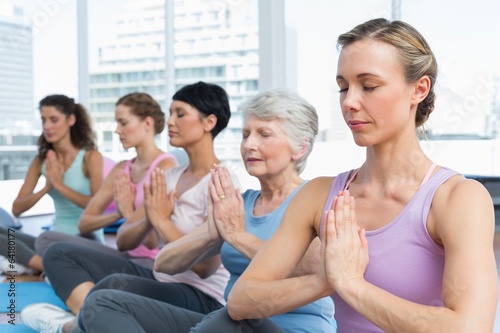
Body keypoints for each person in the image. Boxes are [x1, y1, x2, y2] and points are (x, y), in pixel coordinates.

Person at [224, 18, 499, 332]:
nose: (349, 102)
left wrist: (352, 284)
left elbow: (470, 327)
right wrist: (322, 282)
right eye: (343, 87)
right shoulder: (320, 195)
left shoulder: (457, 198)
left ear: (418, 89)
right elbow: (241, 300)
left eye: (369, 86)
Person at [77, 90, 336, 333]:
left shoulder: (313, 198)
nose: (249, 145)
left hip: (286, 328)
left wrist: (237, 237)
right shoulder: (239, 204)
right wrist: (212, 235)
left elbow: (313, 268)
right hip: (230, 322)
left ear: (300, 148)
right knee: (103, 302)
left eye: (264, 134)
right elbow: (164, 262)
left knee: (229, 317)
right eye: (246, 134)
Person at [21, 81, 238, 333]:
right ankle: (84, 322)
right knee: (60, 253)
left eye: (180, 114)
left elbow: (204, 268)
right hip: (162, 279)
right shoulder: (168, 177)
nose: (169, 122)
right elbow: (124, 241)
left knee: (110, 291)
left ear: (209, 122)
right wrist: (147, 213)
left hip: (203, 296)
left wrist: (161, 220)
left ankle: (70, 327)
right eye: (169, 114)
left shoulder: (221, 181)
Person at [34, 92, 178, 269]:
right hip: (125, 256)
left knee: (60, 254)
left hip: (153, 262)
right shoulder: (122, 168)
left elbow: (151, 241)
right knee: (47, 239)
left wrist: (127, 212)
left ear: (147, 123)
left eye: (123, 123)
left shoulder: (165, 167)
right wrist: (118, 213)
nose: (117, 130)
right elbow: (84, 223)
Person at [0, 94, 103, 273]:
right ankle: (48, 266)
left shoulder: (90, 157)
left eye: (53, 120)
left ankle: (47, 267)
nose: (47, 126)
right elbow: (17, 208)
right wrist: (47, 187)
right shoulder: (41, 161)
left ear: (71, 119)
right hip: (49, 240)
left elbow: (97, 205)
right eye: (43, 120)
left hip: (86, 241)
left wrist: (60, 186)